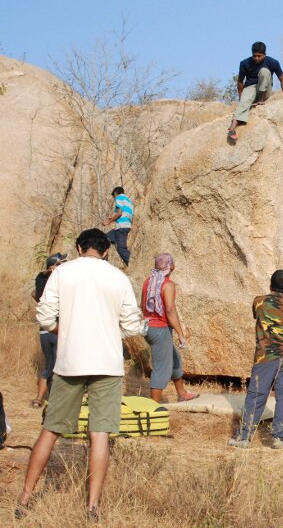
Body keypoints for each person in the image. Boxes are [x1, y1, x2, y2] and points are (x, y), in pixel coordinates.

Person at [18, 228, 144, 520]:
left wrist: (63, 331)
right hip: (107, 365)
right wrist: (112, 333)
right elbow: (133, 325)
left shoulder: (63, 273)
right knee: (99, 434)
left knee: (50, 431)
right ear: (107, 251)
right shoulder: (118, 278)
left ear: (78, 248)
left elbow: (45, 314)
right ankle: (92, 507)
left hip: (70, 362)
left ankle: (24, 499)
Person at [229, 270, 283, 450]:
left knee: (257, 394)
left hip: (266, 355)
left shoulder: (258, 301)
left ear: (270, 284)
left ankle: (244, 438)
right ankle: (280, 439)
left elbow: (257, 315)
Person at [141, 253, 199, 403]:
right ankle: (153, 406)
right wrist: (180, 333)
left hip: (149, 327)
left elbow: (143, 306)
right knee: (162, 368)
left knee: (174, 360)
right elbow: (169, 310)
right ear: (171, 267)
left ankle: (182, 393)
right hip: (160, 329)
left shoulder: (148, 282)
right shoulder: (168, 284)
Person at [227, 41, 283, 142]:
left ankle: (260, 100)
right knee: (244, 101)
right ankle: (232, 128)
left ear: (265, 55)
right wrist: (241, 98)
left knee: (264, 71)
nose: (256, 58)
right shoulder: (244, 63)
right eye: (254, 56)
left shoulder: (273, 62)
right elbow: (240, 82)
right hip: (250, 88)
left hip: (265, 90)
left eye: (259, 56)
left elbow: (282, 80)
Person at [30, 252, 68, 408]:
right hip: (59, 329)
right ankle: (56, 401)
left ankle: (38, 399)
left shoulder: (42, 283)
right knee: (62, 366)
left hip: (44, 331)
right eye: (63, 263)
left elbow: (34, 293)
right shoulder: (61, 284)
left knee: (49, 365)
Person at [101, 186, 134, 267]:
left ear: (115, 193)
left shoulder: (119, 198)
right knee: (104, 238)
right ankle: (103, 262)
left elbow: (119, 213)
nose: (114, 198)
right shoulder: (129, 201)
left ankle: (132, 265)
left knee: (121, 249)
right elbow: (125, 214)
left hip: (122, 227)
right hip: (123, 226)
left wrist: (109, 221)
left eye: (114, 196)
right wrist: (113, 218)